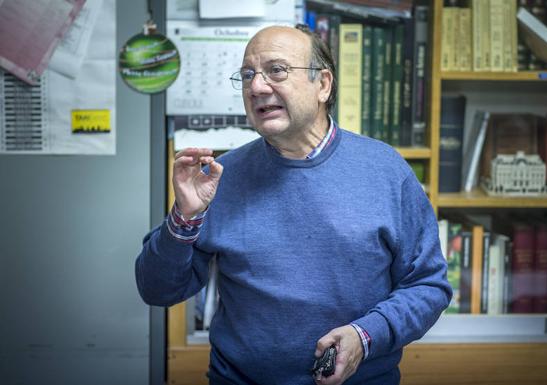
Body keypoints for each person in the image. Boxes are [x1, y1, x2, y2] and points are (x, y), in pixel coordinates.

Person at [135, 24, 452, 385]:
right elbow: (157, 290)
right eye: (247, 75)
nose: (256, 86)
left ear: (323, 85)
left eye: (277, 70)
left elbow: (428, 286)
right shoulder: (221, 176)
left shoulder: (385, 171)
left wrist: (365, 338)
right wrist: (183, 218)